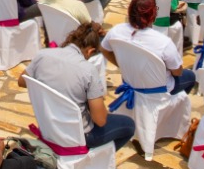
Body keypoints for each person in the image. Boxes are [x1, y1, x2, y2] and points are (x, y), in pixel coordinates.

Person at [19, 22, 135, 152]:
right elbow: (100, 120)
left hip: (48, 127)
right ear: (90, 51)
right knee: (129, 125)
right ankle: (98, 158)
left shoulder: (42, 55)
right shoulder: (88, 70)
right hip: (77, 137)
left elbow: (22, 81)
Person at [101, 0, 194, 94]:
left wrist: (122, 65)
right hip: (158, 90)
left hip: (131, 82)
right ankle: (176, 100)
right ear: (153, 14)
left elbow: (104, 50)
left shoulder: (116, 31)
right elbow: (177, 72)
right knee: (191, 76)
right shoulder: (163, 42)